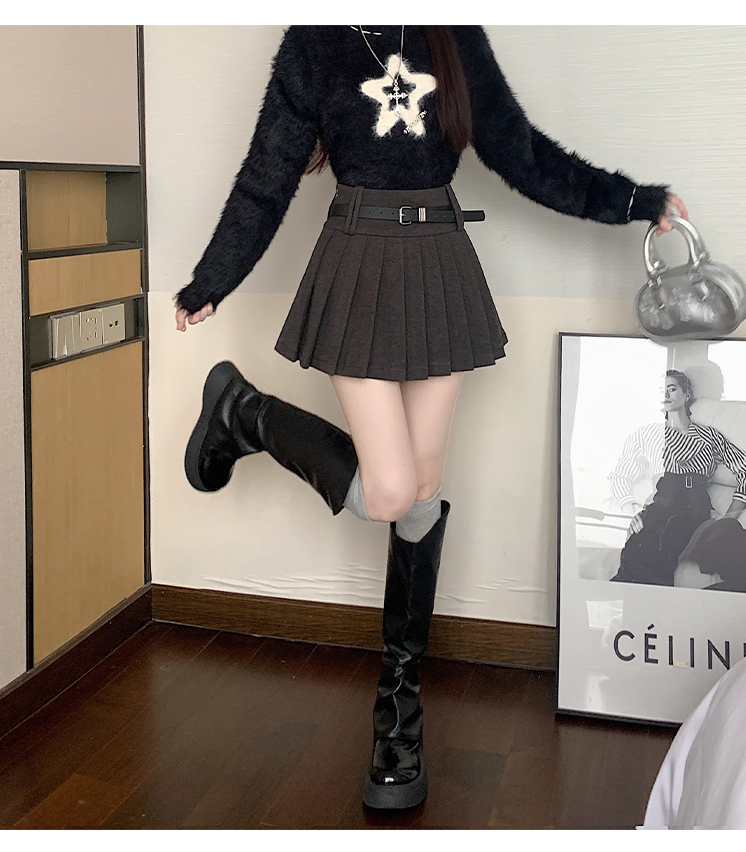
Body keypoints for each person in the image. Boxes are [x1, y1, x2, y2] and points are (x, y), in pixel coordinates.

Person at [174, 25, 686, 810]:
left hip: (440, 261)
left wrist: (630, 201)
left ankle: (399, 717)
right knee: (389, 492)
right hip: (356, 262)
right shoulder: (314, 42)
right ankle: (247, 413)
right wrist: (214, 278)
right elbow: (266, 176)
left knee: (419, 495)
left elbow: (519, 150)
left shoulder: (453, 34)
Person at [610, 371, 746, 587]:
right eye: (660, 391)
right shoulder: (647, 434)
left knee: (675, 546)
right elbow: (619, 475)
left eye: (671, 389)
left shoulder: (709, 436)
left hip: (696, 505)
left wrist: (731, 515)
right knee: (642, 548)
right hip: (662, 504)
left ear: (686, 394)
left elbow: (744, 469)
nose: (665, 394)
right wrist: (632, 510)